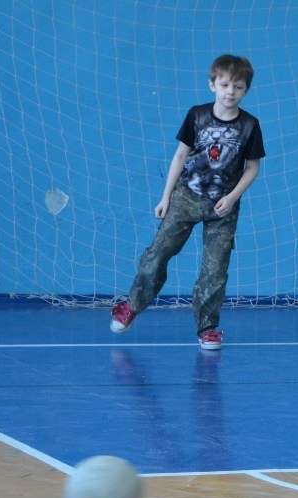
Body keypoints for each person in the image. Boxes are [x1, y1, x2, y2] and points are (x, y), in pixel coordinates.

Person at [109, 54, 266, 351]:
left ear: (246, 90)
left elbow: (253, 168)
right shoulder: (197, 115)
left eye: (238, 87)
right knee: (157, 254)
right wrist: (166, 197)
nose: (230, 91)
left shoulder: (250, 125)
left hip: (223, 208)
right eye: (225, 85)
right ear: (212, 85)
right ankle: (132, 305)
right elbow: (180, 155)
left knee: (215, 270)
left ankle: (208, 328)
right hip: (186, 198)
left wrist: (232, 197)